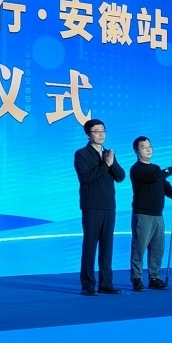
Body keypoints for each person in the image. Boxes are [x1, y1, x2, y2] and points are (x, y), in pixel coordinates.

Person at [74, 118, 125, 295]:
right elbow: (85, 178)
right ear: (88, 135)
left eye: (103, 131)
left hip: (109, 206)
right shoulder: (81, 154)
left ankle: (106, 284)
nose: (101, 134)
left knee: (107, 247)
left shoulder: (108, 153)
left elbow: (120, 177)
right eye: (96, 131)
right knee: (90, 246)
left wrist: (111, 162)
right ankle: (88, 285)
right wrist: (105, 165)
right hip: (91, 206)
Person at [130, 136, 172, 291]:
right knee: (139, 248)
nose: (148, 149)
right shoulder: (137, 169)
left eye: (149, 146)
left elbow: (163, 183)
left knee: (157, 249)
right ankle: (136, 278)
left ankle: (154, 278)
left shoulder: (156, 168)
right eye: (144, 147)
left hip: (158, 215)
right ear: (137, 151)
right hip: (143, 215)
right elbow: (155, 177)